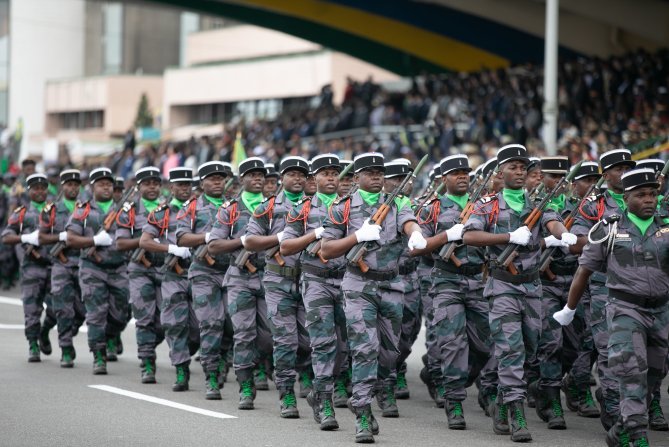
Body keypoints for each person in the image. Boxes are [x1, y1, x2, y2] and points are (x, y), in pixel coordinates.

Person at [462, 144, 576, 443]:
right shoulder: (488, 205)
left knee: (529, 348)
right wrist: (507, 236)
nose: (519, 172)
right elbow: (469, 235)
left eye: (523, 168)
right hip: (502, 287)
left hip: (532, 287)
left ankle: (503, 398)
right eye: (512, 167)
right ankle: (517, 414)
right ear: (500, 172)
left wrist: (563, 234)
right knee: (511, 349)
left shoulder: (537, 202)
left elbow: (552, 220)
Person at [554, 167, 669, 447]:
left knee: (655, 374)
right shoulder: (608, 228)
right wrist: (569, 309)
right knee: (631, 373)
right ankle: (637, 435)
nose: (649, 200)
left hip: (661, 311)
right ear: (626, 198)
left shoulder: (666, 226)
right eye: (641, 195)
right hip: (625, 309)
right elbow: (584, 270)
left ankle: (621, 428)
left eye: (652, 194)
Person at [321, 152, 426, 443]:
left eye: (380, 172)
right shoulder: (342, 207)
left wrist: (416, 234)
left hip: (392, 285)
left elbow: (409, 222)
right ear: (356, 178)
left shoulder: (397, 203)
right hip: (358, 285)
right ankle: (363, 411)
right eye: (370, 172)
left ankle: (368, 393)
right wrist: (356, 237)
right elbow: (327, 250)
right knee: (365, 348)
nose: (377, 176)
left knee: (389, 353)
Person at [415, 154, 493, 430]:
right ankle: (454, 399)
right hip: (446, 281)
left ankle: (463, 379)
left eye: (466, 173)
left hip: (478, 280)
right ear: (443, 179)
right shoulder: (432, 209)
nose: (462, 177)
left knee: (487, 343)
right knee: (453, 343)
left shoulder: (483, 206)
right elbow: (418, 247)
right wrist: (447, 236)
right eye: (456, 173)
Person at [569, 149, 636, 431]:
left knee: (644, 356)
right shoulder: (593, 205)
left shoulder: (645, 200)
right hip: (603, 287)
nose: (624, 173)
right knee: (609, 352)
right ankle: (615, 412)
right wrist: (613, 238)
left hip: (642, 287)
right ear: (606, 175)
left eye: (628, 168)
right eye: (619, 169)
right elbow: (576, 242)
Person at [280, 153, 348, 430]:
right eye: (325, 173)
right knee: (323, 343)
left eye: (335, 173)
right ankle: (324, 401)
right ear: (314, 179)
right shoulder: (303, 209)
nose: (331, 178)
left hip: (349, 281)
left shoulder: (351, 206)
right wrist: (314, 234)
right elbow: (285, 247)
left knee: (346, 345)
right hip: (316, 280)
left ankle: (324, 389)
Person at [244, 156, 313, 418]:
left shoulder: (317, 206)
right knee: (285, 340)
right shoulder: (269, 207)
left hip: (310, 280)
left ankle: (307, 375)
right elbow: (250, 241)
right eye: (292, 174)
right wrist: (278, 237)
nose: (297, 179)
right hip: (278, 281)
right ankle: (286, 393)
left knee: (311, 339)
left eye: (302, 175)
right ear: (281, 178)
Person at [209, 157, 272, 410]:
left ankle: (263, 366)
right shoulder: (230, 209)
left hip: (271, 277)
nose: (257, 179)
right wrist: (243, 242)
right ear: (242, 179)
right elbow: (214, 245)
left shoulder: (275, 206)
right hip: (240, 278)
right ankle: (246, 385)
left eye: (261, 175)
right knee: (244, 334)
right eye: (252, 175)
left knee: (270, 335)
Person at [176, 161, 233, 400]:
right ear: (202, 183)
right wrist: (207, 236)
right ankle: (211, 375)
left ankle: (224, 359)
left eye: (221, 178)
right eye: (212, 179)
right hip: (204, 273)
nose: (217, 182)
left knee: (234, 322)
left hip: (233, 271)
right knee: (211, 323)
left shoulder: (235, 205)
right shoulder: (192, 207)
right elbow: (181, 237)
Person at [65, 167, 130, 374]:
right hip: (92, 268)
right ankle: (98, 355)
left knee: (122, 312)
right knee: (96, 314)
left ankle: (111, 335)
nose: (106, 188)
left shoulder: (125, 209)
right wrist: (93, 240)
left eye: (109, 184)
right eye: (101, 184)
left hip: (119, 267)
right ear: (93, 187)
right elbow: (71, 239)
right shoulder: (83, 210)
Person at [140, 167, 198, 391]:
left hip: (201, 274)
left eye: (188, 185)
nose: (184, 189)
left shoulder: (201, 209)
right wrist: (170, 248)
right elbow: (145, 241)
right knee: (175, 324)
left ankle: (190, 353)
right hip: (173, 274)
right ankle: (181, 369)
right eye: (180, 185)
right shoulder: (162, 213)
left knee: (203, 324)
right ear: (171, 188)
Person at [115, 167, 165, 383]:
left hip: (167, 269)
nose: (152, 187)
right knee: (144, 318)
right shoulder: (130, 210)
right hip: (140, 269)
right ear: (139, 187)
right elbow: (121, 243)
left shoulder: (169, 208)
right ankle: (147, 362)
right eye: (147, 184)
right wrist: (146, 241)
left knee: (166, 319)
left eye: (155, 183)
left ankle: (149, 345)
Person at [1, 173, 54, 362]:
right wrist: (25, 238)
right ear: (29, 191)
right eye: (35, 188)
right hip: (31, 267)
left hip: (54, 266)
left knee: (57, 307)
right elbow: (6, 237)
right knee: (32, 309)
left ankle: (45, 331)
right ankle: (33, 344)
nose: (40, 192)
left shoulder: (55, 211)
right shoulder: (21, 213)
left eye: (43, 188)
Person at [38, 169, 85, 367]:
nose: (73, 188)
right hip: (61, 263)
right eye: (69, 185)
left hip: (84, 263)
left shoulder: (86, 208)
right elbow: (41, 237)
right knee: (62, 307)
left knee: (82, 309)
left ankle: (52, 329)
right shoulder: (51, 210)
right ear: (62, 186)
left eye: (76, 185)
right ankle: (66, 347)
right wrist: (60, 237)